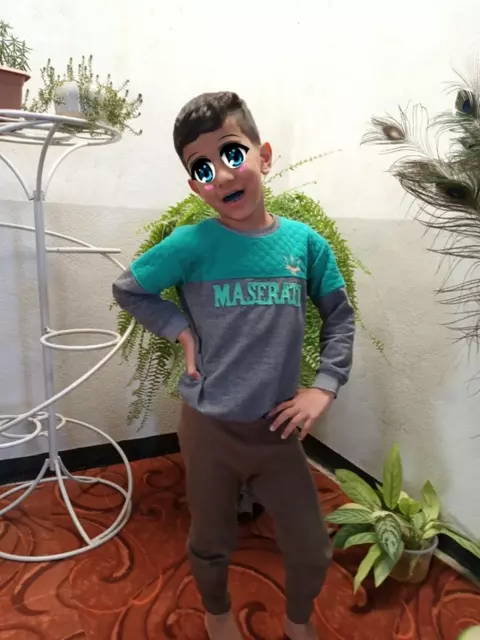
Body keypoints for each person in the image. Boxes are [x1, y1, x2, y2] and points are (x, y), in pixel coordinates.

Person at [112, 91, 355, 640]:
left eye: (231, 153)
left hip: (277, 429)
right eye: (202, 168)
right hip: (209, 428)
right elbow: (129, 289)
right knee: (211, 540)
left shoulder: (305, 245)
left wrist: (324, 386)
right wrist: (180, 331)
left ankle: (297, 623)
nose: (221, 175)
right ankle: (217, 614)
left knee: (312, 549)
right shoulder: (190, 244)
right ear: (194, 185)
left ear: (262, 156)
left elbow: (340, 317)